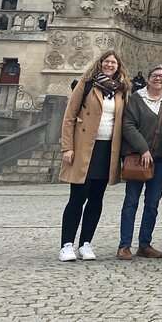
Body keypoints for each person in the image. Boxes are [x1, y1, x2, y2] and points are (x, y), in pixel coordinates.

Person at [58, 50, 127, 262]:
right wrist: (67, 148)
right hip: (84, 147)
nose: (110, 65)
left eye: (113, 63)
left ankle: (86, 243)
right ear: (100, 63)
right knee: (78, 197)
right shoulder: (86, 84)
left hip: (107, 150)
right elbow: (69, 117)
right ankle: (66, 245)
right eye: (107, 61)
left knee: (97, 199)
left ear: (118, 66)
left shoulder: (122, 90)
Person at [117, 65, 162, 260]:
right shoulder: (137, 98)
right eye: (154, 76)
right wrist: (143, 149)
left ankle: (145, 244)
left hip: (160, 160)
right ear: (148, 79)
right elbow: (128, 125)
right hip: (137, 158)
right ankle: (124, 245)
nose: (158, 79)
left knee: (152, 203)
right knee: (131, 202)